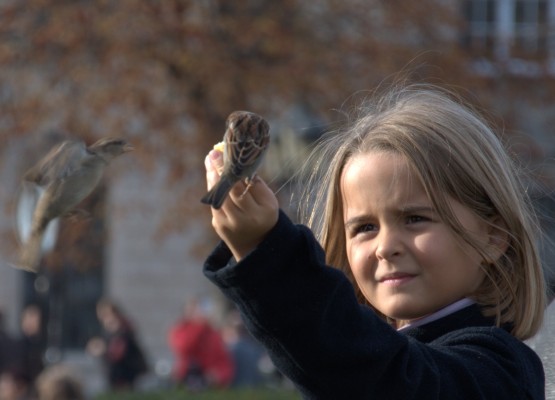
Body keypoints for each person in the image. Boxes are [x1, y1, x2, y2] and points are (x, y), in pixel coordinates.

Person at [202, 83, 546, 399]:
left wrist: (267, 251)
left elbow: (388, 379)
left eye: (415, 219)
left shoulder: (500, 371)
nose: (385, 246)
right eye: (365, 227)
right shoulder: (379, 351)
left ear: (493, 237)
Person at [167, 297, 234, 391]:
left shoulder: (213, 333)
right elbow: (184, 349)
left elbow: (224, 361)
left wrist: (218, 375)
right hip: (186, 380)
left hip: (209, 384)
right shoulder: (179, 330)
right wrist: (199, 326)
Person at [86, 298, 148, 390]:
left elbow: (117, 352)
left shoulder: (123, 330)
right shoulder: (110, 331)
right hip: (114, 373)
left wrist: (102, 349)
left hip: (124, 373)